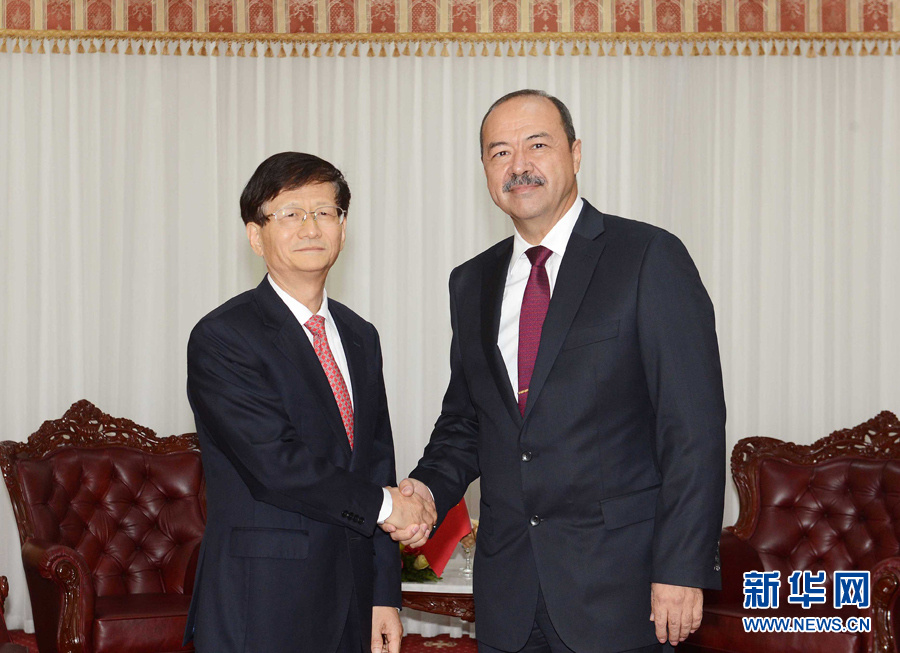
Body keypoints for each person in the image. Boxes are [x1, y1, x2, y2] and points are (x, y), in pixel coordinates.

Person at [385, 91, 726, 653]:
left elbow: (692, 429)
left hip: (622, 592)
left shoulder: (647, 256)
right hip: (508, 595)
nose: (518, 165)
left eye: (537, 145)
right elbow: (467, 422)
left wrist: (681, 567)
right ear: (485, 169)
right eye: (500, 152)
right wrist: (423, 490)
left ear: (576, 153)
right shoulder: (470, 282)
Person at [184, 152, 436, 653]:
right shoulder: (223, 336)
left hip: (354, 598)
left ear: (343, 228)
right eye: (291, 213)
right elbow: (275, 464)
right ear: (256, 236)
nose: (310, 227)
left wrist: (384, 595)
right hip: (263, 600)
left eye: (324, 212)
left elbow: (377, 463)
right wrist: (392, 506)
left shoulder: (361, 336)